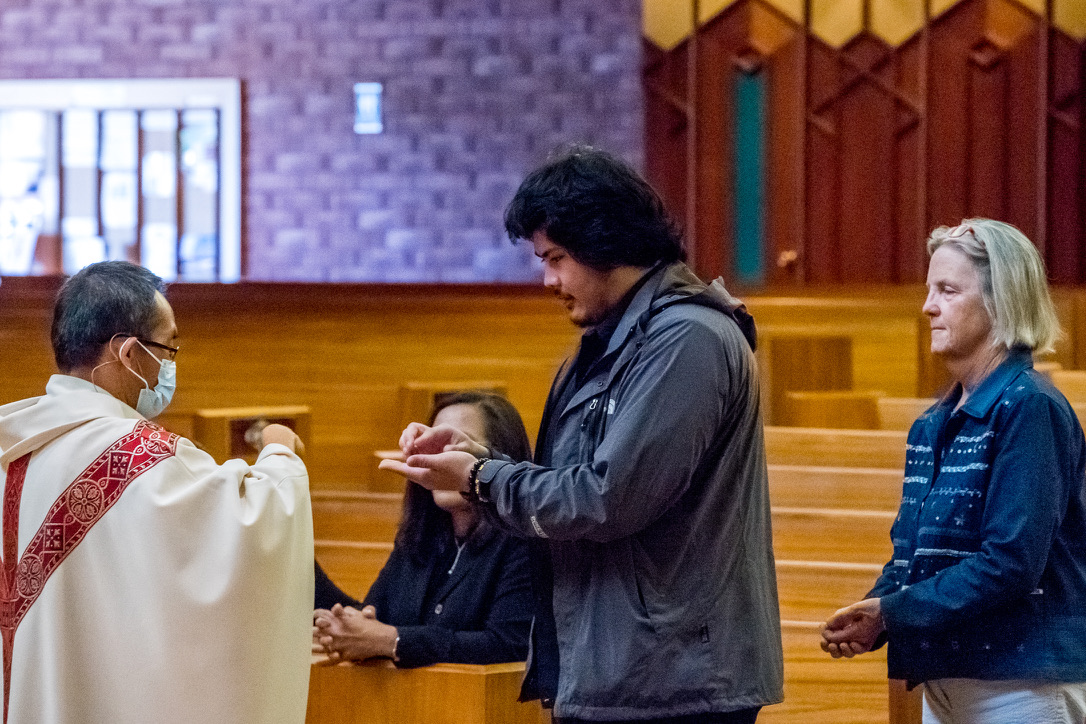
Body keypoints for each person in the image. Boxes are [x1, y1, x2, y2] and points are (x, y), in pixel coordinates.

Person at [380, 147, 784, 723]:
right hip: (614, 667)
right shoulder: (602, 345)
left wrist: (482, 477)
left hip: (675, 679)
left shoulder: (688, 338)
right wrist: (475, 463)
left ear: (603, 242)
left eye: (557, 258)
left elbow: (607, 499)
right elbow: (566, 487)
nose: (548, 280)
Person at [0, 261, 313, 724]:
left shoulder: (12, 450)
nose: (170, 364)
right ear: (129, 354)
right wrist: (280, 453)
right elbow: (252, 528)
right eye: (168, 347)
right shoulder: (143, 455)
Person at [820, 219, 1086, 723]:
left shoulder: (1029, 407)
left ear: (1001, 302)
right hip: (947, 680)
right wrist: (874, 612)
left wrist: (893, 612)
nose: (928, 306)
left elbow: (1010, 562)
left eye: (947, 290)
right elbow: (913, 555)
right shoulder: (931, 424)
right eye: (929, 290)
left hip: (1022, 684)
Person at [312, 391, 532, 668]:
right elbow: (373, 621)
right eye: (432, 447)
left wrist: (394, 641)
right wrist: (342, 626)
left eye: (455, 446)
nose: (439, 460)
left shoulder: (525, 541)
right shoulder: (420, 539)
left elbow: (509, 644)